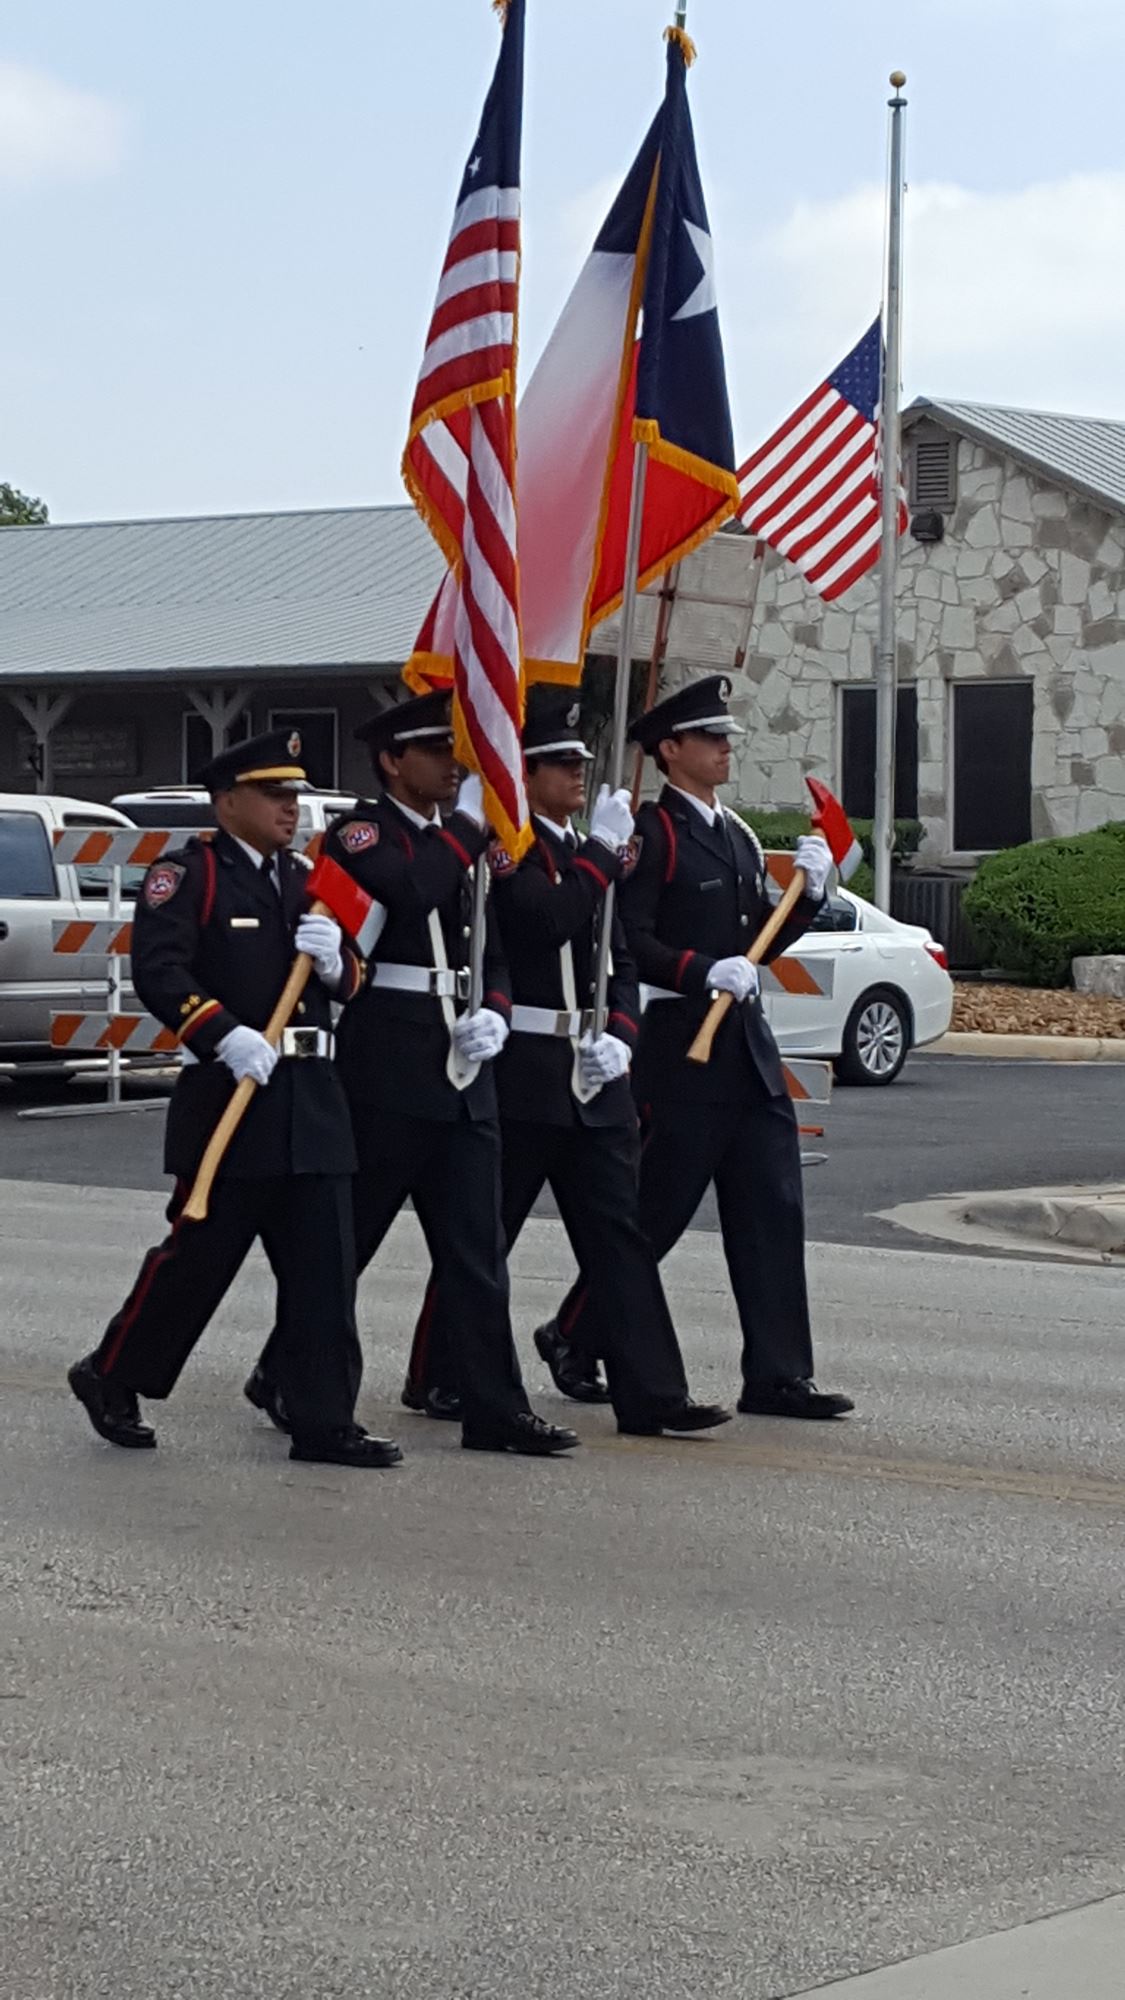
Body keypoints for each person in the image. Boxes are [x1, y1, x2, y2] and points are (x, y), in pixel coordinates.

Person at [251, 691, 578, 1458]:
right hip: (388, 1064)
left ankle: (493, 1408)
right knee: (347, 1246)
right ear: (393, 761)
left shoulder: (455, 841)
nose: (451, 762)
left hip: (463, 1064)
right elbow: (413, 890)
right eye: (433, 750)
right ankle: (283, 1370)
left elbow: (489, 945)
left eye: (452, 748)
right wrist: (468, 823)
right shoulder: (366, 832)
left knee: (476, 1249)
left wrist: (495, 1004)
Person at [67, 727, 402, 1469]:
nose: (291, 808)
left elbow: (355, 981)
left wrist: (336, 965)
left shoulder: (304, 881)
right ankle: (112, 1371)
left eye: (296, 796)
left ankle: (323, 1420)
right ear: (226, 803)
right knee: (199, 1261)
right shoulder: (193, 877)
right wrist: (219, 1033)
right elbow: (160, 971)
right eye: (274, 794)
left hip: (311, 1099)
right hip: (234, 1096)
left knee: (325, 1273)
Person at [404, 688, 731, 1438]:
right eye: (557, 762)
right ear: (520, 774)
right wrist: (599, 859)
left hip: (592, 1070)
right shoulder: (505, 852)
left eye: (580, 761)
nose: (576, 774)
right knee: (486, 1235)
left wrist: (620, 1029)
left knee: (619, 1235)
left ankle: (650, 1392)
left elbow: (616, 958)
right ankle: (437, 1373)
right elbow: (545, 922)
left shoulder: (589, 849)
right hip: (522, 1070)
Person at [539, 676, 854, 1421]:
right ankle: (574, 1334)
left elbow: (755, 946)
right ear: (669, 749)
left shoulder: (736, 833)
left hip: (744, 1046)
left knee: (772, 1210)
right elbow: (629, 941)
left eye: (725, 739)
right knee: (652, 1213)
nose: (723, 749)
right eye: (709, 739)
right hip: (681, 1048)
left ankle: (778, 1373)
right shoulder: (657, 834)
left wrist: (807, 896)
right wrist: (695, 968)